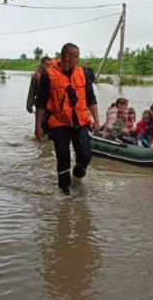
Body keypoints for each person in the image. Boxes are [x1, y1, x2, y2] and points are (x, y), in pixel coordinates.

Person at [35, 43, 100, 195]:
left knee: (85, 155)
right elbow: (41, 103)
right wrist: (38, 126)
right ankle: (64, 191)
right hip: (59, 122)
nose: (78, 59)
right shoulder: (48, 75)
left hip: (80, 120)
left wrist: (96, 120)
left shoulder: (82, 73)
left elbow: (91, 98)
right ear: (67, 57)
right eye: (76, 56)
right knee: (63, 157)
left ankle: (78, 171)